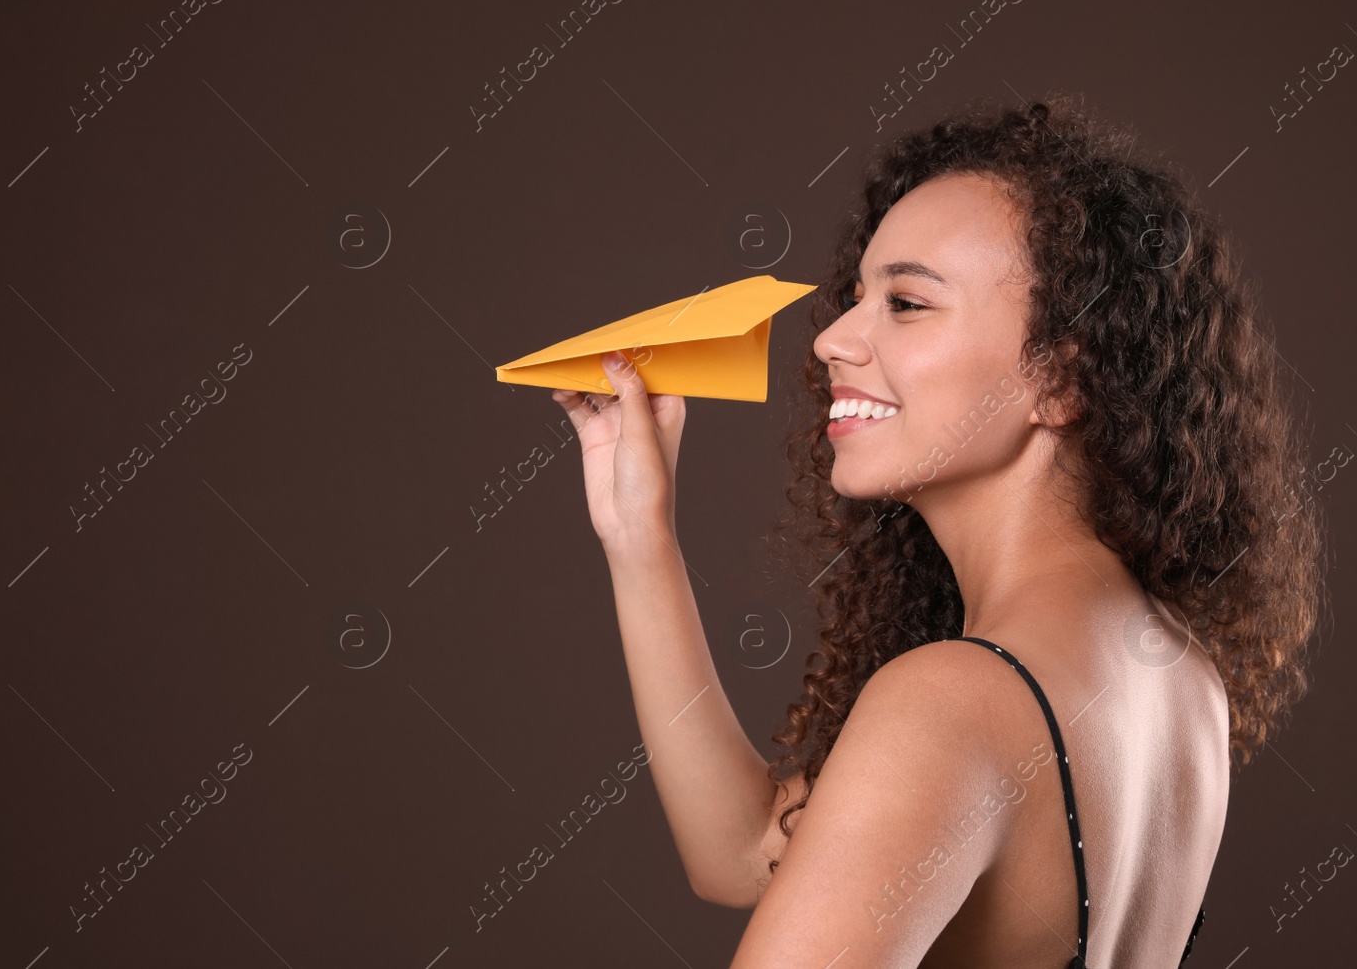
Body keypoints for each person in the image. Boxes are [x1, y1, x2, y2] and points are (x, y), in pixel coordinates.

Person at [551, 93, 1325, 968]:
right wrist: (637, 534)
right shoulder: (1179, 674)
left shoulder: (956, 701)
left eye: (908, 304)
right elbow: (747, 854)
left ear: (1063, 382)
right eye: (856, 298)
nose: (832, 340)